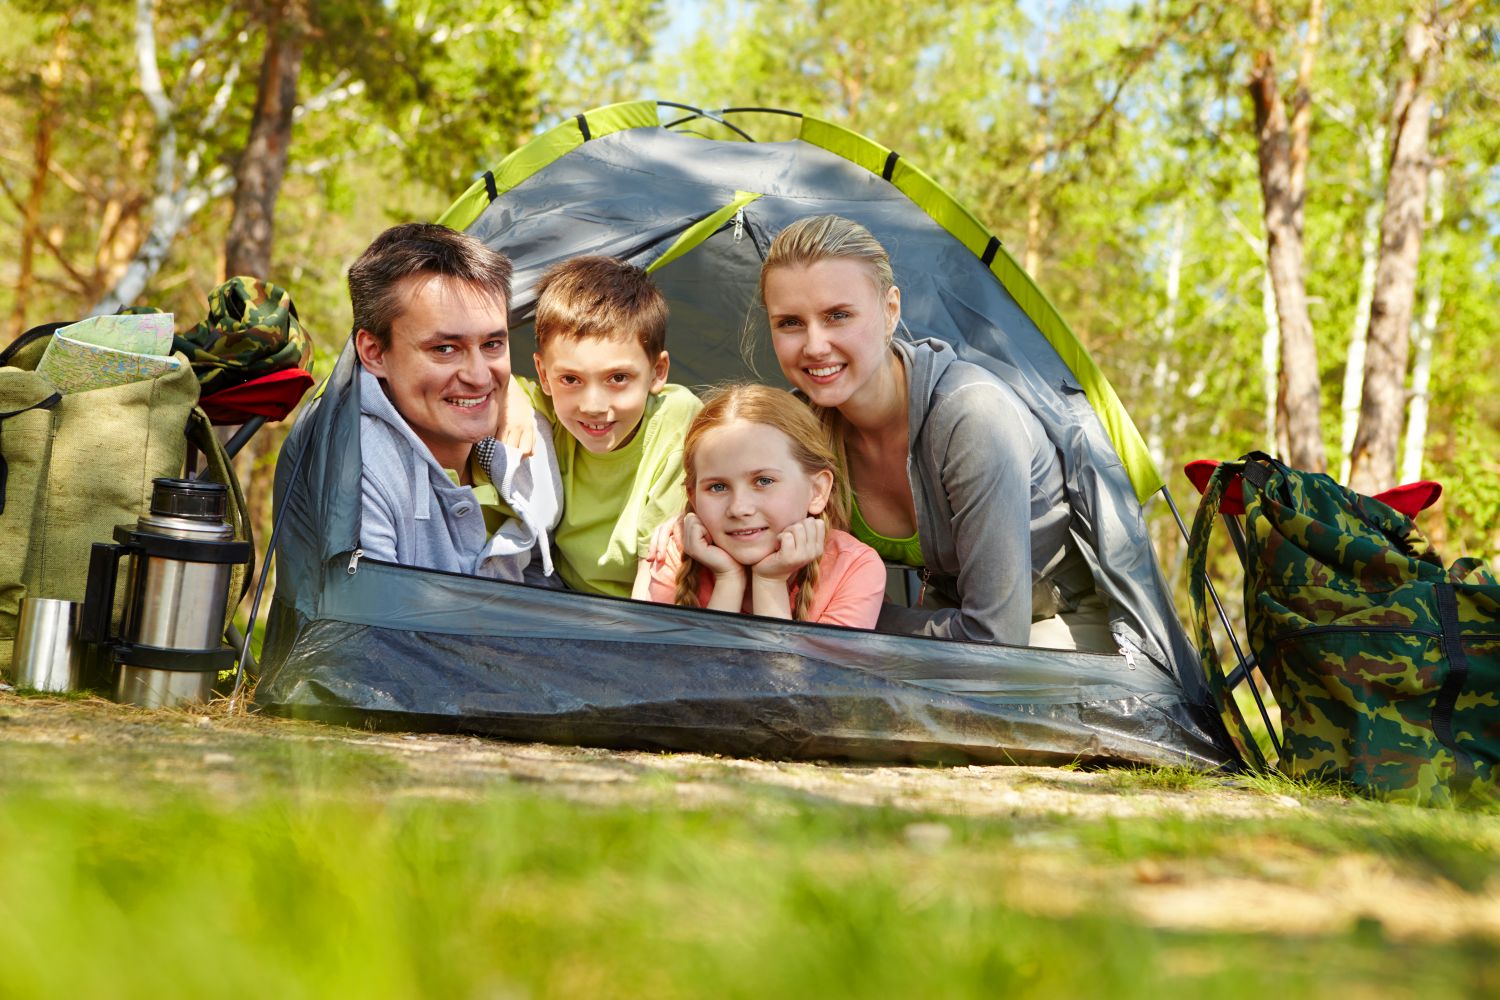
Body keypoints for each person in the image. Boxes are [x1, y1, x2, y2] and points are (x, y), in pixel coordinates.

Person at [758, 214, 1111, 650]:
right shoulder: (799, 432)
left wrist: (849, 618)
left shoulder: (971, 416)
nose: (814, 345)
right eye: (790, 322)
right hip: (944, 627)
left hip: (1047, 630)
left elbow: (996, 640)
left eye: (838, 315)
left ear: (890, 311)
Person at [350, 222, 561, 582]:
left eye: (492, 344)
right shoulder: (357, 467)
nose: (479, 377)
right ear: (374, 353)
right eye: (445, 349)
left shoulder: (534, 431)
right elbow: (376, 631)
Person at [516, 256, 703, 598]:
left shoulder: (676, 420)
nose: (593, 406)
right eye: (570, 379)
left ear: (657, 372)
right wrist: (508, 401)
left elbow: (658, 567)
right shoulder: (547, 406)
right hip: (563, 592)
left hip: (650, 602)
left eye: (618, 378)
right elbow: (487, 385)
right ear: (544, 375)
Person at [644, 383, 885, 627]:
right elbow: (681, 666)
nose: (739, 508)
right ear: (693, 496)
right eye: (717, 487)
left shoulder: (854, 568)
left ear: (817, 490)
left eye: (764, 481)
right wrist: (728, 581)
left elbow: (787, 667)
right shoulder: (674, 552)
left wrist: (770, 582)